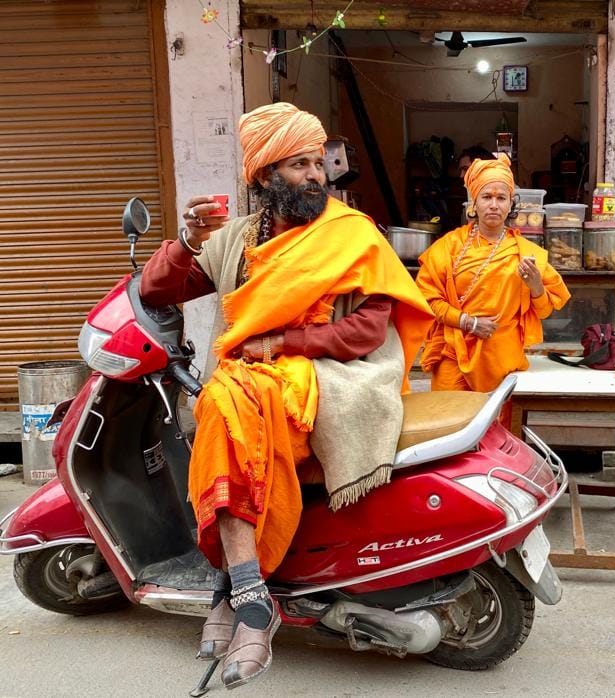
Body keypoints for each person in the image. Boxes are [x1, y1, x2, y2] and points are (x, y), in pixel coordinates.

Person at [140, 102, 432, 688]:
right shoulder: (241, 240)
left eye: (317, 163)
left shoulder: (350, 233)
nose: (316, 175)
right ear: (264, 175)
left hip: (330, 384)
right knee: (225, 403)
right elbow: (158, 289)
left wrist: (280, 343)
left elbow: (368, 331)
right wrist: (187, 238)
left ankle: (237, 592)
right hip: (250, 388)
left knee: (223, 404)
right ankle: (247, 594)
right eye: (299, 165)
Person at [416, 153, 570, 401]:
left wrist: (535, 286)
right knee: (449, 430)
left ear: (511, 204)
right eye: (486, 197)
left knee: (495, 435)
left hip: (501, 360)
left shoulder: (526, 253)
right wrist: (469, 323)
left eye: (501, 198)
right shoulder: (449, 247)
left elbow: (544, 311)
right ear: (473, 203)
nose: (494, 205)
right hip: (453, 355)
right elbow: (427, 300)